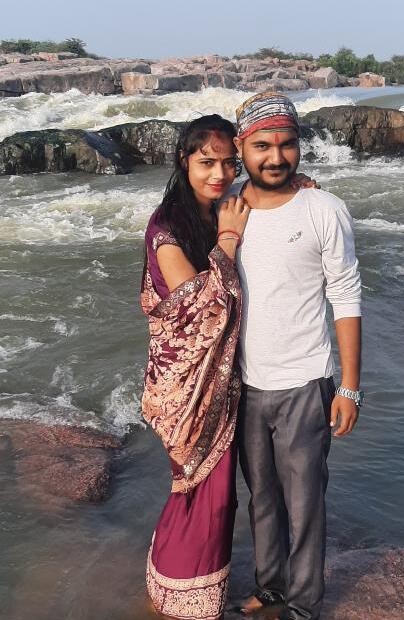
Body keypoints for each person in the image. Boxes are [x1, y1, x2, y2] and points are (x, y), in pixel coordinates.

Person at [140, 113, 317, 620]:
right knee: (202, 489)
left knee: (217, 491)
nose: (218, 174)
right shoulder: (168, 227)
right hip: (187, 385)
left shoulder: (220, 205)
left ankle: (183, 584)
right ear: (184, 161)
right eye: (206, 162)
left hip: (224, 377)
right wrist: (229, 240)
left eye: (227, 163)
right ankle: (184, 599)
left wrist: (295, 185)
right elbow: (200, 307)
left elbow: (266, 186)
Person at [231, 93, 363, 620]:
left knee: (305, 504)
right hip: (244, 384)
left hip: (306, 383)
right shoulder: (226, 211)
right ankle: (271, 588)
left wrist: (350, 387)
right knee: (261, 498)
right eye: (262, 146)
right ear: (241, 147)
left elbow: (346, 296)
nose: (276, 157)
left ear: (299, 146)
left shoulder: (323, 209)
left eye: (287, 145)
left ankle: (304, 607)